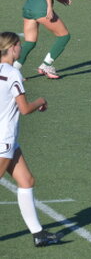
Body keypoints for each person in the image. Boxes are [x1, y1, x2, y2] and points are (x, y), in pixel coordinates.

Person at [0, 32, 60, 247]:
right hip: (4, 139)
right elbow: (25, 109)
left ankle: (38, 234)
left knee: (26, 181)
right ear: (12, 48)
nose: (21, 49)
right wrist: (41, 101)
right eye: (19, 45)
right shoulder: (12, 73)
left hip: (8, 141)